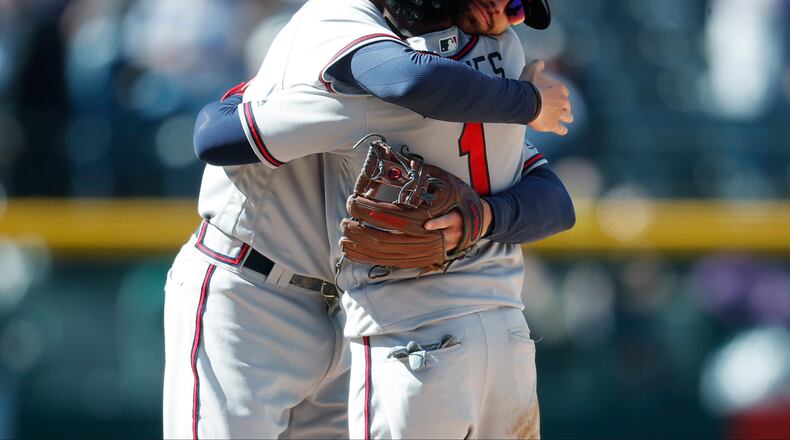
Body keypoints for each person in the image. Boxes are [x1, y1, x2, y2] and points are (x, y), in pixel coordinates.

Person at [165, 0, 572, 438]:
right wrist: (528, 101)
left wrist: (482, 216)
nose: (503, 24)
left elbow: (554, 199)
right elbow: (214, 135)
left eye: (515, 15)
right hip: (249, 292)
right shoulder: (344, 21)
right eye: (504, 5)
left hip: (350, 310)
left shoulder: (457, 73)